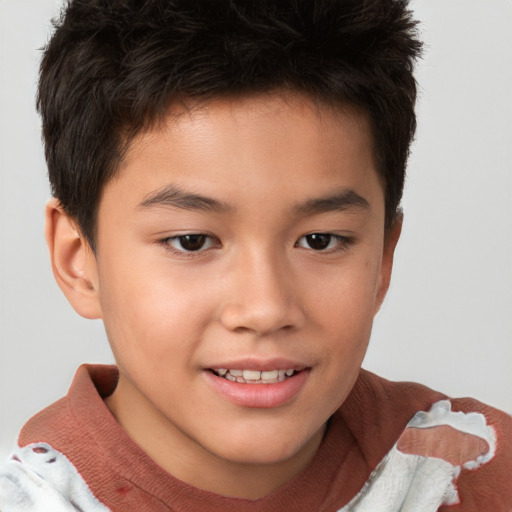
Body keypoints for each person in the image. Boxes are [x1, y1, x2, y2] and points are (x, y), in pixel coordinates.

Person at [0, 0, 510, 510]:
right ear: (77, 261)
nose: (265, 309)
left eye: (320, 240)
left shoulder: (482, 473)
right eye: (192, 241)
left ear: (382, 259)